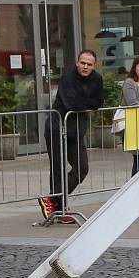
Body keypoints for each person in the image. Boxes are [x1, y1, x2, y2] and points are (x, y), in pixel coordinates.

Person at [38, 50, 103, 221]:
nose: (85, 67)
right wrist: (86, 103)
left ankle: (52, 200)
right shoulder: (68, 78)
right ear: (77, 62)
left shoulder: (97, 79)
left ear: (94, 66)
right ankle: (60, 210)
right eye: (83, 63)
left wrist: (84, 103)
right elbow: (71, 103)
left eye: (89, 64)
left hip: (76, 131)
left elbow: (98, 102)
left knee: (82, 168)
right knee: (58, 169)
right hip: (56, 128)